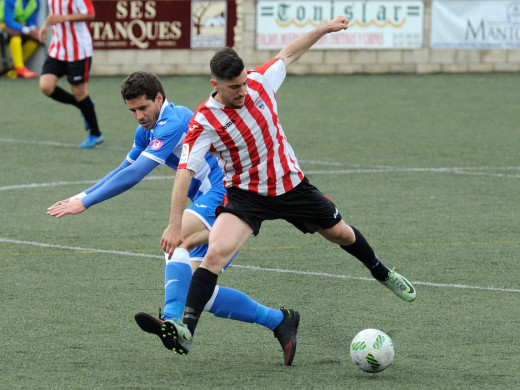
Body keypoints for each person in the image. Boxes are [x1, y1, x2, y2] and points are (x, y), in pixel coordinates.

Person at [159, 15, 417, 362]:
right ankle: (187, 328)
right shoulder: (203, 121)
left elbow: (289, 53)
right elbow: (183, 174)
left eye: (243, 82)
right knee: (215, 254)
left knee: (341, 234)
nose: (242, 91)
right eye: (234, 87)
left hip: (291, 187)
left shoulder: (259, 81)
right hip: (246, 196)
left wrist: (323, 30)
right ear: (215, 84)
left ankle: (382, 273)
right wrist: (175, 224)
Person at [47, 71, 300, 366]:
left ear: (159, 98)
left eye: (143, 108)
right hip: (212, 199)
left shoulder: (174, 120)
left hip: (228, 193)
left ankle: (170, 320)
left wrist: (86, 203)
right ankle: (280, 320)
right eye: (132, 111)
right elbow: (122, 169)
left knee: (175, 238)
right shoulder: (147, 131)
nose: (139, 116)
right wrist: (82, 196)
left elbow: (136, 174)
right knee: (198, 290)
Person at [37, 0, 102, 149]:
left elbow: (90, 14)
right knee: (46, 86)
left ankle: (96, 134)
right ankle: (85, 106)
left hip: (78, 50)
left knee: (79, 93)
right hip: (57, 48)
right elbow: (54, 13)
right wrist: (44, 25)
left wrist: (65, 18)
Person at [0, 0, 40, 78]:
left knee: (37, 38)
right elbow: (9, 21)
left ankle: (13, 69)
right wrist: (28, 30)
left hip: (18, 26)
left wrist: (34, 30)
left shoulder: (35, 2)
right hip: (2, 24)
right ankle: (20, 68)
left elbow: (31, 20)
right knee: (16, 34)